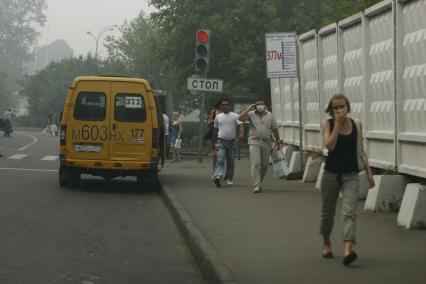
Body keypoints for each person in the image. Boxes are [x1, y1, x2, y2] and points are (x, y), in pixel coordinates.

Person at [320, 94, 375, 266]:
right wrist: (337, 124)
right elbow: (329, 145)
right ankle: (327, 243)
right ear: (331, 109)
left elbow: (360, 149)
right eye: (335, 108)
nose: (339, 110)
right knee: (327, 213)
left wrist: (368, 171)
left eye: (342, 107)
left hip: (351, 175)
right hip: (331, 175)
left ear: (348, 107)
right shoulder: (326, 123)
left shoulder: (356, 124)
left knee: (349, 212)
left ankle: (347, 250)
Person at [239, 99, 281, 193]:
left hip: (266, 142)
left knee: (265, 165)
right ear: (255, 106)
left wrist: (278, 140)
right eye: (257, 104)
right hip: (254, 140)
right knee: (256, 163)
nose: (260, 106)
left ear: (264, 105)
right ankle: (257, 185)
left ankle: (259, 182)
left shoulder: (270, 115)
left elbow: (275, 128)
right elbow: (240, 118)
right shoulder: (251, 114)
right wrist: (248, 109)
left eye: (261, 104)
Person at [212, 98, 243, 187]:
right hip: (220, 141)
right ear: (221, 106)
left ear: (229, 106)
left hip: (231, 142)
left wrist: (241, 133)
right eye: (224, 105)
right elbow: (215, 129)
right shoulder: (218, 117)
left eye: (227, 105)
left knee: (231, 161)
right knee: (220, 160)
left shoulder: (235, 115)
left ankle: (229, 178)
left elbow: (240, 124)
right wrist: (214, 141)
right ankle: (218, 176)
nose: (225, 106)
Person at [207, 100, 223, 177]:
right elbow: (209, 121)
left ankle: (220, 172)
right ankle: (214, 172)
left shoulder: (226, 112)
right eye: (222, 104)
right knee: (215, 155)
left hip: (223, 134)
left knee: (222, 155)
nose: (224, 106)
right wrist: (214, 120)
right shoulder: (214, 111)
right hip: (215, 134)